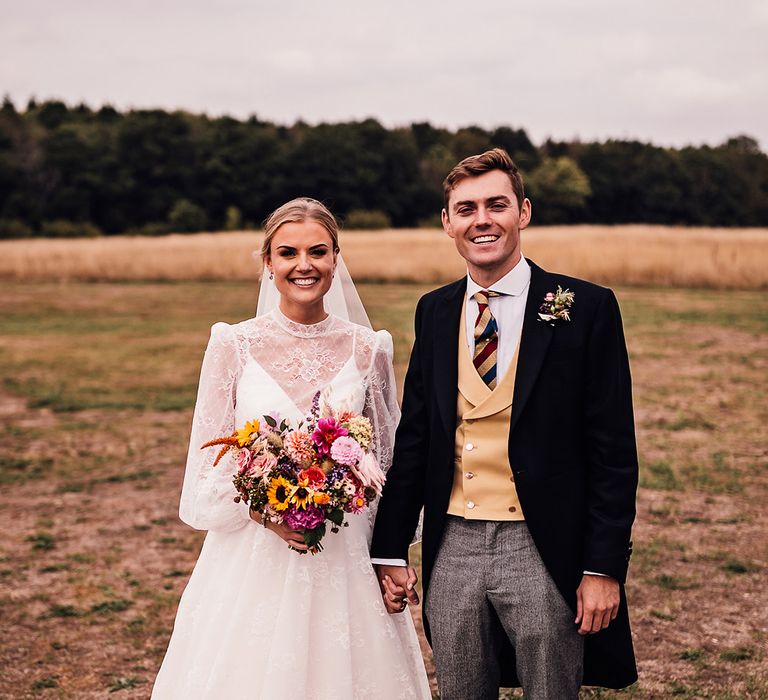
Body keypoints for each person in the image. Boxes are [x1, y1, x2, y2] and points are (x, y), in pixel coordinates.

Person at [370, 149, 638, 699]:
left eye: (497, 204)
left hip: (543, 543)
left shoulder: (585, 308)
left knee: (551, 690)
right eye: (465, 208)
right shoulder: (435, 310)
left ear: (524, 212)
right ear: (447, 222)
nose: (482, 219)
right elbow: (416, 437)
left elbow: (613, 450)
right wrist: (391, 547)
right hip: (453, 544)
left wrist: (603, 567)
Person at [152, 198, 431, 699]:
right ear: (268, 263)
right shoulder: (231, 345)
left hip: (342, 551)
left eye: (318, 252)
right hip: (253, 553)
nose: (304, 265)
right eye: (288, 253)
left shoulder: (369, 349)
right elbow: (205, 472)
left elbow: (386, 467)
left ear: (336, 260)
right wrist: (266, 513)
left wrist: (389, 555)